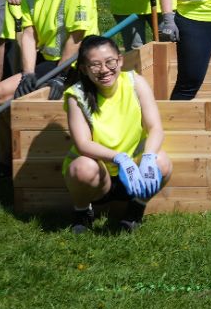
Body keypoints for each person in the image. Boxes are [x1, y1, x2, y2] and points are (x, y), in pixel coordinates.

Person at [61, 35, 173, 234]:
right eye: (94, 65)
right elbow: (83, 144)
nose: (104, 70)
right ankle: (82, 212)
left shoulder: (135, 82)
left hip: (135, 173)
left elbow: (155, 127)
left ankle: (136, 209)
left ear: (120, 60)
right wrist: (119, 158)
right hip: (99, 177)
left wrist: (147, 158)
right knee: (81, 167)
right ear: (84, 69)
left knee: (162, 161)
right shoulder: (76, 94)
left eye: (109, 62)